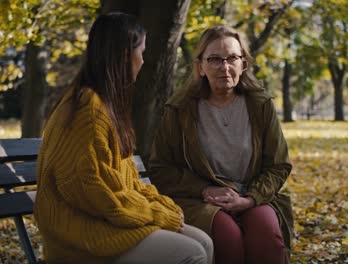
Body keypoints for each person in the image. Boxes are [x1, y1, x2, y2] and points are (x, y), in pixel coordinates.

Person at [33, 13, 213, 264]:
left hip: (107, 223)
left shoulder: (103, 105)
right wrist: (158, 215)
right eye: (141, 51)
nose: (143, 60)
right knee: (193, 253)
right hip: (83, 238)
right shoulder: (88, 112)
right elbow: (100, 194)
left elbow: (126, 183)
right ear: (125, 55)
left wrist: (162, 205)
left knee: (204, 241)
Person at [149, 25, 294, 264]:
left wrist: (250, 198)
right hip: (201, 199)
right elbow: (161, 168)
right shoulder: (180, 109)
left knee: (267, 236)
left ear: (243, 63)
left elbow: (278, 165)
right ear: (200, 66)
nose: (224, 67)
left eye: (232, 58)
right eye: (215, 59)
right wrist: (205, 190)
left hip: (251, 193)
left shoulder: (261, 106)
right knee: (228, 237)